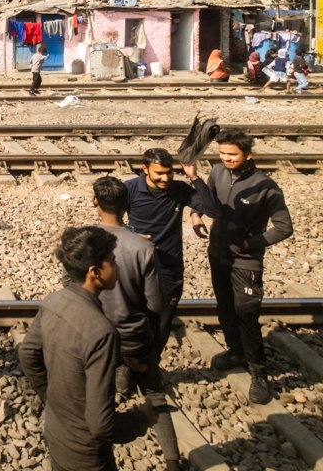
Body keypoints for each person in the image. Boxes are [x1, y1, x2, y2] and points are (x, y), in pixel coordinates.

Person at [19, 226, 157, 471]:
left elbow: (27, 353)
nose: (117, 267)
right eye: (112, 262)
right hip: (86, 458)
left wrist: (50, 397)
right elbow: (101, 425)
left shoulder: (53, 301)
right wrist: (142, 418)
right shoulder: (102, 333)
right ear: (95, 272)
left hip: (56, 435)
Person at [189, 129, 294, 405]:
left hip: (246, 262)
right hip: (218, 253)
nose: (226, 159)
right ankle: (236, 352)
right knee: (224, 307)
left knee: (246, 315)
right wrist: (195, 214)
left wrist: (252, 244)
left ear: (247, 155)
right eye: (222, 153)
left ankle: (259, 373)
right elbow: (206, 200)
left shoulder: (266, 187)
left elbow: (284, 227)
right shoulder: (218, 173)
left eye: (232, 154)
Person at [91, 177, 181, 471]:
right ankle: (172, 460)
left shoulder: (85, 243)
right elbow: (156, 303)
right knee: (155, 394)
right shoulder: (143, 248)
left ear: (95, 202)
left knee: (95, 399)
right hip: (134, 338)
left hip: (96, 339)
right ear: (128, 205)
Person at [125, 148, 219, 356]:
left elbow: (213, 210)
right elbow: (111, 221)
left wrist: (194, 178)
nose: (165, 178)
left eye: (169, 172)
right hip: (136, 266)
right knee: (133, 319)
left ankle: (151, 369)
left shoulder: (180, 190)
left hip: (168, 268)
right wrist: (130, 235)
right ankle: (130, 368)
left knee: (161, 323)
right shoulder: (130, 189)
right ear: (145, 169)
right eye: (159, 173)